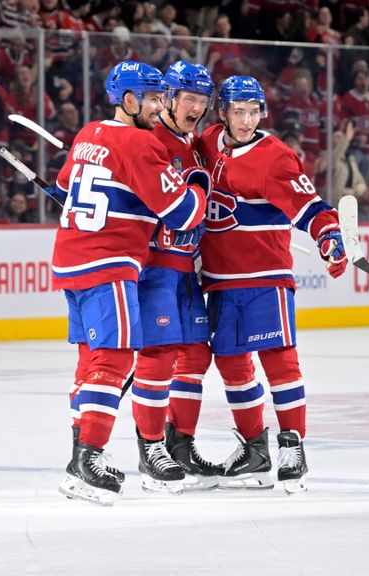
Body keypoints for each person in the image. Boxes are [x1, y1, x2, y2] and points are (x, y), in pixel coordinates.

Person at [53, 61, 210, 506]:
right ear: (128, 100)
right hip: (111, 262)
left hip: (71, 261)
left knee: (89, 364)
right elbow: (183, 214)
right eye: (153, 98)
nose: (159, 105)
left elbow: (67, 185)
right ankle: (90, 457)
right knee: (115, 359)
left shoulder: (88, 133)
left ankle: (77, 456)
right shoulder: (140, 143)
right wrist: (197, 185)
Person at [197, 76, 347, 493]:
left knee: (279, 361)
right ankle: (254, 450)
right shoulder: (207, 142)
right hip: (219, 281)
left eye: (254, 111)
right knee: (231, 365)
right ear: (222, 112)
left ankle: (292, 445)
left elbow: (311, 206)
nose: (247, 120)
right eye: (239, 111)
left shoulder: (276, 157)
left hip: (264, 276)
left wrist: (329, 236)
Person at [131, 60, 221, 492]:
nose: (197, 108)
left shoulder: (193, 143)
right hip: (155, 267)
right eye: (190, 99)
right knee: (159, 353)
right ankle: (150, 449)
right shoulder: (149, 139)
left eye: (203, 101)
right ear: (168, 97)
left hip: (187, 266)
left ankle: (180, 445)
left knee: (195, 356)